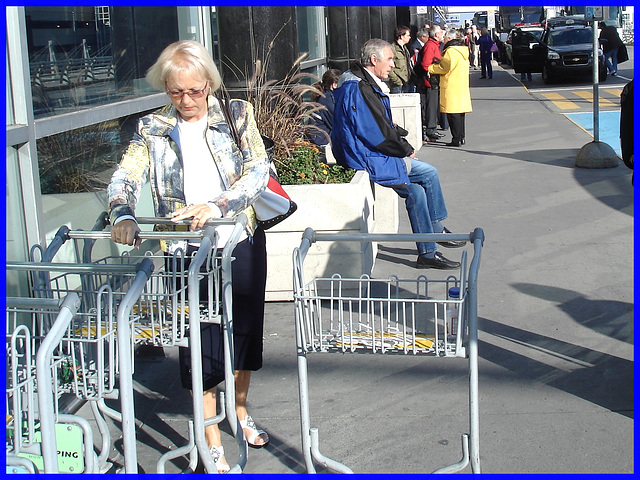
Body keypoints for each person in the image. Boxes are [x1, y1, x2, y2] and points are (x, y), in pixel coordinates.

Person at [107, 40, 270, 473]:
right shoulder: (151, 127)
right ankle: (210, 435)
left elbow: (258, 169)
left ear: (209, 84)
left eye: (195, 91)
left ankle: (238, 409)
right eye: (176, 92)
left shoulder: (236, 116)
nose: (187, 101)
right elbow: (126, 175)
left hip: (239, 238)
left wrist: (217, 205)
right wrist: (122, 212)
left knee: (245, 335)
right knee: (200, 341)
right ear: (165, 89)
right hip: (183, 249)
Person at [330, 38, 464, 270]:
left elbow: (376, 125)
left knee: (417, 192)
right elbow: (376, 133)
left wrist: (400, 138)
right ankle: (434, 233)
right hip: (367, 156)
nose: (393, 64)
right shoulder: (359, 87)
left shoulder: (358, 82)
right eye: (390, 59)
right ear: (374, 60)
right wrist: (406, 149)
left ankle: (429, 248)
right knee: (428, 174)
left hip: (366, 152)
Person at [428, 28, 472, 147]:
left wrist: (431, 68)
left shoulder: (450, 51)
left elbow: (444, 67)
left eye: (446, 36)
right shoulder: (463, 50)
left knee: (452, 114)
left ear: (450, 39)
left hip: (451, 85)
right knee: (460, 114)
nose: (444, 38)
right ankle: (461, 137)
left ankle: (456, 139)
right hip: (461, 85)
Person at [420, 24, 446, 142]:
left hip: (434, 79)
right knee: (432, 104)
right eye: (441, 32)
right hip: (431, 80)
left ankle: (432, 128)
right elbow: (426, 63)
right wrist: (431, 71)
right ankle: (431, 129)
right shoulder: (431, 46)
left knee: (434, 104)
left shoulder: (434, 45)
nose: (442, 34)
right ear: (436, 35)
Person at [308, 68, 342, 147]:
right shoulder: (327, 99)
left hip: (321, 139)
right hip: (322, 142)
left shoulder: (327, 97)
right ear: (334, 85)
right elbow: (337, 123)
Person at [388, 26, 414, 94]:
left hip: (407, 82)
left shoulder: (405, 48)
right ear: (401, 36)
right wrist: (397, 81)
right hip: (398, 85)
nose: (410, 37)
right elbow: (388, 66)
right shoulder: (392, 49)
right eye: (408, 35)